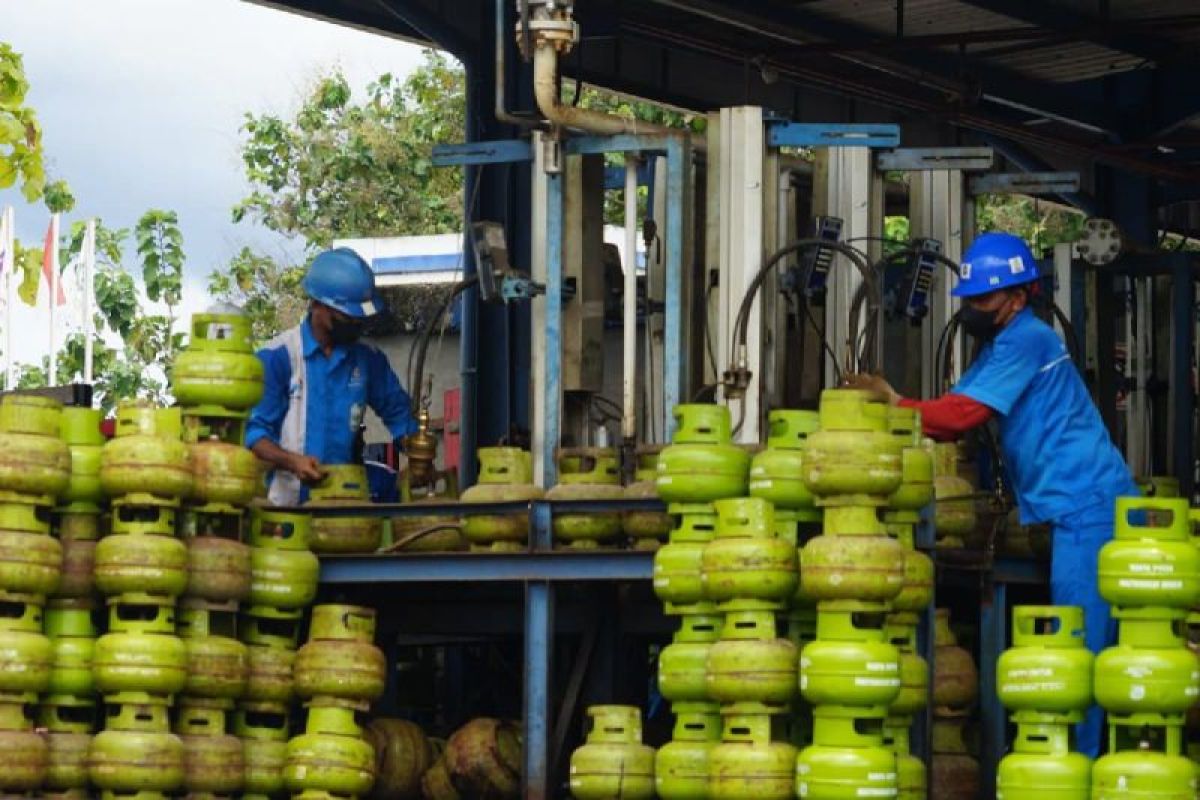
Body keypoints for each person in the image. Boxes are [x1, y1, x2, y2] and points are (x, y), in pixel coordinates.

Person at [847, 231, 1137, 758]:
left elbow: (961, 416)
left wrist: (892, 404)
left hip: (1088, 508)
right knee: (1081, 649)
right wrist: (897, 403)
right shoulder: (1002, 344)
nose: (973, 310)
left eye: (984, 299)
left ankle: (1083, 772)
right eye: (970, 299)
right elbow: (951, 411)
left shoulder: (1028, 340)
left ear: (1018, 297)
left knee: (1083, 655)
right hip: (1074, 509)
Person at [245, 247, 418, 506]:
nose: (356, 325)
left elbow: (399, 415)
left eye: (360, 319)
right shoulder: (278, 358)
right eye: (347, 317)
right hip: (284, 506)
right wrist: (292, 462)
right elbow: (254, 434)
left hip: (343, 501)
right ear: (318, 305)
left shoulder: (368, 359)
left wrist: (417, 451)